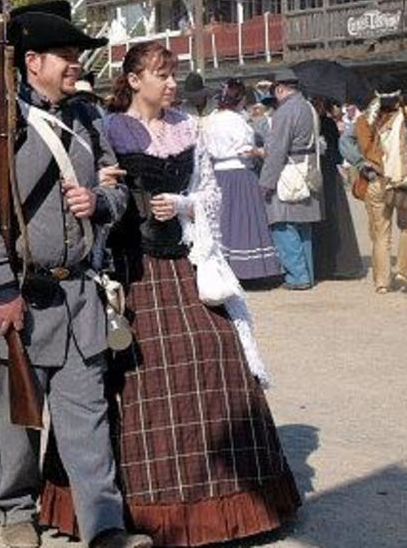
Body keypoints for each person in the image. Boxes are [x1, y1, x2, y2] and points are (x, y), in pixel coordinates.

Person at [42, 41, 300, 547]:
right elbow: (93, 186)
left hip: (180, 261)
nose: (170, 82)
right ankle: (120, 507)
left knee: (215, 348)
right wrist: (105, 191)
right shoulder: (107, 128)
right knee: (131, 371)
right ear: (134, 79)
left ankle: (226, 499)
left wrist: (182, 203)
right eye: (161, 73)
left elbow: (210, 192)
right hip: (126, 266)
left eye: (172, 73)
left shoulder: (189, 127)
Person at [0, 0, 150, 548]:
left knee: (87, 417)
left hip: (81, 293)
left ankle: (104, 526)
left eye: (75, 55)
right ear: (32, 61)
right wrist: (0, 287)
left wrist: (100, 202)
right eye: (64, 55)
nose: (74, 64)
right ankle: (16, 510)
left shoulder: (88, 118)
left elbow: (116, 186)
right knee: (18, 416)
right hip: (22, 293)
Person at [342, 84, 407, 294]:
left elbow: (344, 142)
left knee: (380, 234)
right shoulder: (403, 118)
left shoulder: (363, 120)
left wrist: (361, 163)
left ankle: (382, 283)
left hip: (374, 180)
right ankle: (403, 272)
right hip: (401, 182)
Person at [200, 79, 281, 280]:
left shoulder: (211, 119)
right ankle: (248, 269)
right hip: (239, 173)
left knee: (222, 221)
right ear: (240, 98)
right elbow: (245, 151)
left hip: (217, 174)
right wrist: (259, 152)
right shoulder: (237, 120)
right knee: (243, 219)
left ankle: (224, 268)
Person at [259, 68, 322, 290]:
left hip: (288, 171)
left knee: (282, 224)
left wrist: (265, 182)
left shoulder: (285, 112)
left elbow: (276, 152)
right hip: (308, 170)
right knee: (303, 227)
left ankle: (297, 276)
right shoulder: (309, 107)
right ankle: (308, 273)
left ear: (279, 88)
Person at [312, 96, 363, 281]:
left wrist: (322, 147)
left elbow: (336, 154)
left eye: (318, 104)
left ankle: (341, 265)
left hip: (328, 174)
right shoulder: (310, 122)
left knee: (335, 218)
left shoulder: (328, 123)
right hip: (316, 172)